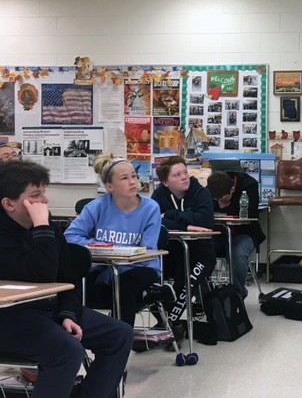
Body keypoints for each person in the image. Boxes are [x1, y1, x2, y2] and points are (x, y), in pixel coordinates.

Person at [0, 160, 132, 398]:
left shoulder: (47, 225)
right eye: (36, 195)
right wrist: (41, 226)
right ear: (9, 204)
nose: (45, 201)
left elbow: (66, 278)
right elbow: (41, 274)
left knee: (119, 334)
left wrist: (68, 314)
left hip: (50, 310)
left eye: (44, 193)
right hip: (11, 317)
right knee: (67, 351)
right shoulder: (16, 231)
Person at [65, 153, 175, 327]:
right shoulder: (97, 206)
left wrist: (113, 267)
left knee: (125, 286)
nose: (133, 182)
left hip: (141, 267)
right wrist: (104, 247)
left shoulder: (150, 208)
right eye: (125, 178)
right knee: (74, 284)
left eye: (134, 176)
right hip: (104, 266)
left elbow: (146, 250)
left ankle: (121, 337)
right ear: (110, 186)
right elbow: (71, 236)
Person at [151, 156, 216, 326]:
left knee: (184, 282)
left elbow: (205, 221)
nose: (184, 177)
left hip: (201, 253)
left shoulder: (201, 192)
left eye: (185, 172)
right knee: (147, 278)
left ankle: (168, 325)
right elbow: (153, 220)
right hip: (171, 252)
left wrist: (172, 214)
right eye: (177, 175)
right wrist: (186, 227)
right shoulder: (159, 195)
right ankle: (168, 324)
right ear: (166, 182)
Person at [207, 170, 265, 299]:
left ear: (232, 189)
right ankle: (204, 296)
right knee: (202, 252)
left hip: (244, 232)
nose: (219, 202)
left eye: (223, 199)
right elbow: (207, 210)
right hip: (218, 233)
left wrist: (222, 208)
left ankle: (237, 296)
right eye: (216, 199)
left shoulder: (249, 185)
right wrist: (223, 205)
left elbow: (250, 214)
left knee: (237, 254)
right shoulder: (212, 187)